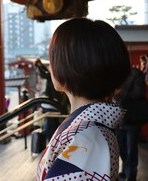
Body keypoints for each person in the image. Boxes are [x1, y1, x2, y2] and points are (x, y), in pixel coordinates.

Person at [36, 18, 130, 181]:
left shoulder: (87, 137)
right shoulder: (88, 129)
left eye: (53, 59)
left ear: (69, 64)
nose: (51, 67)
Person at [114, 67, 148, 181]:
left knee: (131, 148)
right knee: (121, 147)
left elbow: (139, 92)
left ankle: (131, 173)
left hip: (132, 116)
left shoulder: (135, 74)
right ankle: (125, 169)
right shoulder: (113, 73)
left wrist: (120, 93)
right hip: (117, 117)